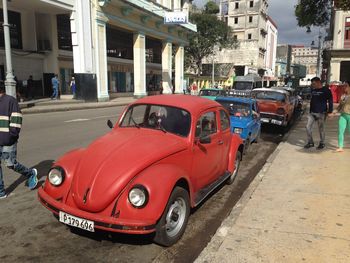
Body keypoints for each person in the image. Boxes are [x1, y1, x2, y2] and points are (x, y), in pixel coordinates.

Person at [0, 81, 38, 199]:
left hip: (8, 140)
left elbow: (16, 119)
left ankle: (31, 173)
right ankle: (1, 192)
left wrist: (11, 135)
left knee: (11, 164)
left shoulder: (10, 101)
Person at [304, 77, 333, 150]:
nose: (312, 85)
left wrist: (330, 111)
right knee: (307, 127)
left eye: (314, 83)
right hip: (312, 113)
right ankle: (310, 142)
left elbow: (330, 101)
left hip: (321, 113)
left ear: (318, 82)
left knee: (321, 129)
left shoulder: (326, 90)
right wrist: (310, 111)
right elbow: (312, 101)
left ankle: (322, 143)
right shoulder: (313, 90)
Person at [334, 81, 350, 152]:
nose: (344, 87)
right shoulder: (343, 96)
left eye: (346, 86)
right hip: (343, 115)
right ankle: (340, 147)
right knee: (340, 131)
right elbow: (340, 106)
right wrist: (334, 112)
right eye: (343, 86)